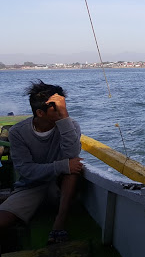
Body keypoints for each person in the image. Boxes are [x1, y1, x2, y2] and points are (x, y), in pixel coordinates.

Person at [0, 80, 83, 245]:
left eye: (63, 106)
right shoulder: (18, 133)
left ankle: (60, 221)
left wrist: (64, 117)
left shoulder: (69, 125)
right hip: (31, 186)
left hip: (61, 185)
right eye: (57, 108)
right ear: (40, 112)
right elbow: (26, 170)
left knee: (73, 169)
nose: (62, 111)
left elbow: (72, 153)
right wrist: (62, 166)